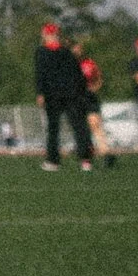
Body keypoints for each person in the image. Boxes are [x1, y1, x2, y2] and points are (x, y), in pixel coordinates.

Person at [34, 21, 97, 170]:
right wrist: (82, 91)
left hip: (53, 95)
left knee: (54, 128)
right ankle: (85, 160)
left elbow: (40, 74)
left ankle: (53, 161)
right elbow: (78, 74)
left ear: (45, 35)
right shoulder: (67, 52)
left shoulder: (41, 52)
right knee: (78, 125)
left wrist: (40, 93)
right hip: (72, 94)